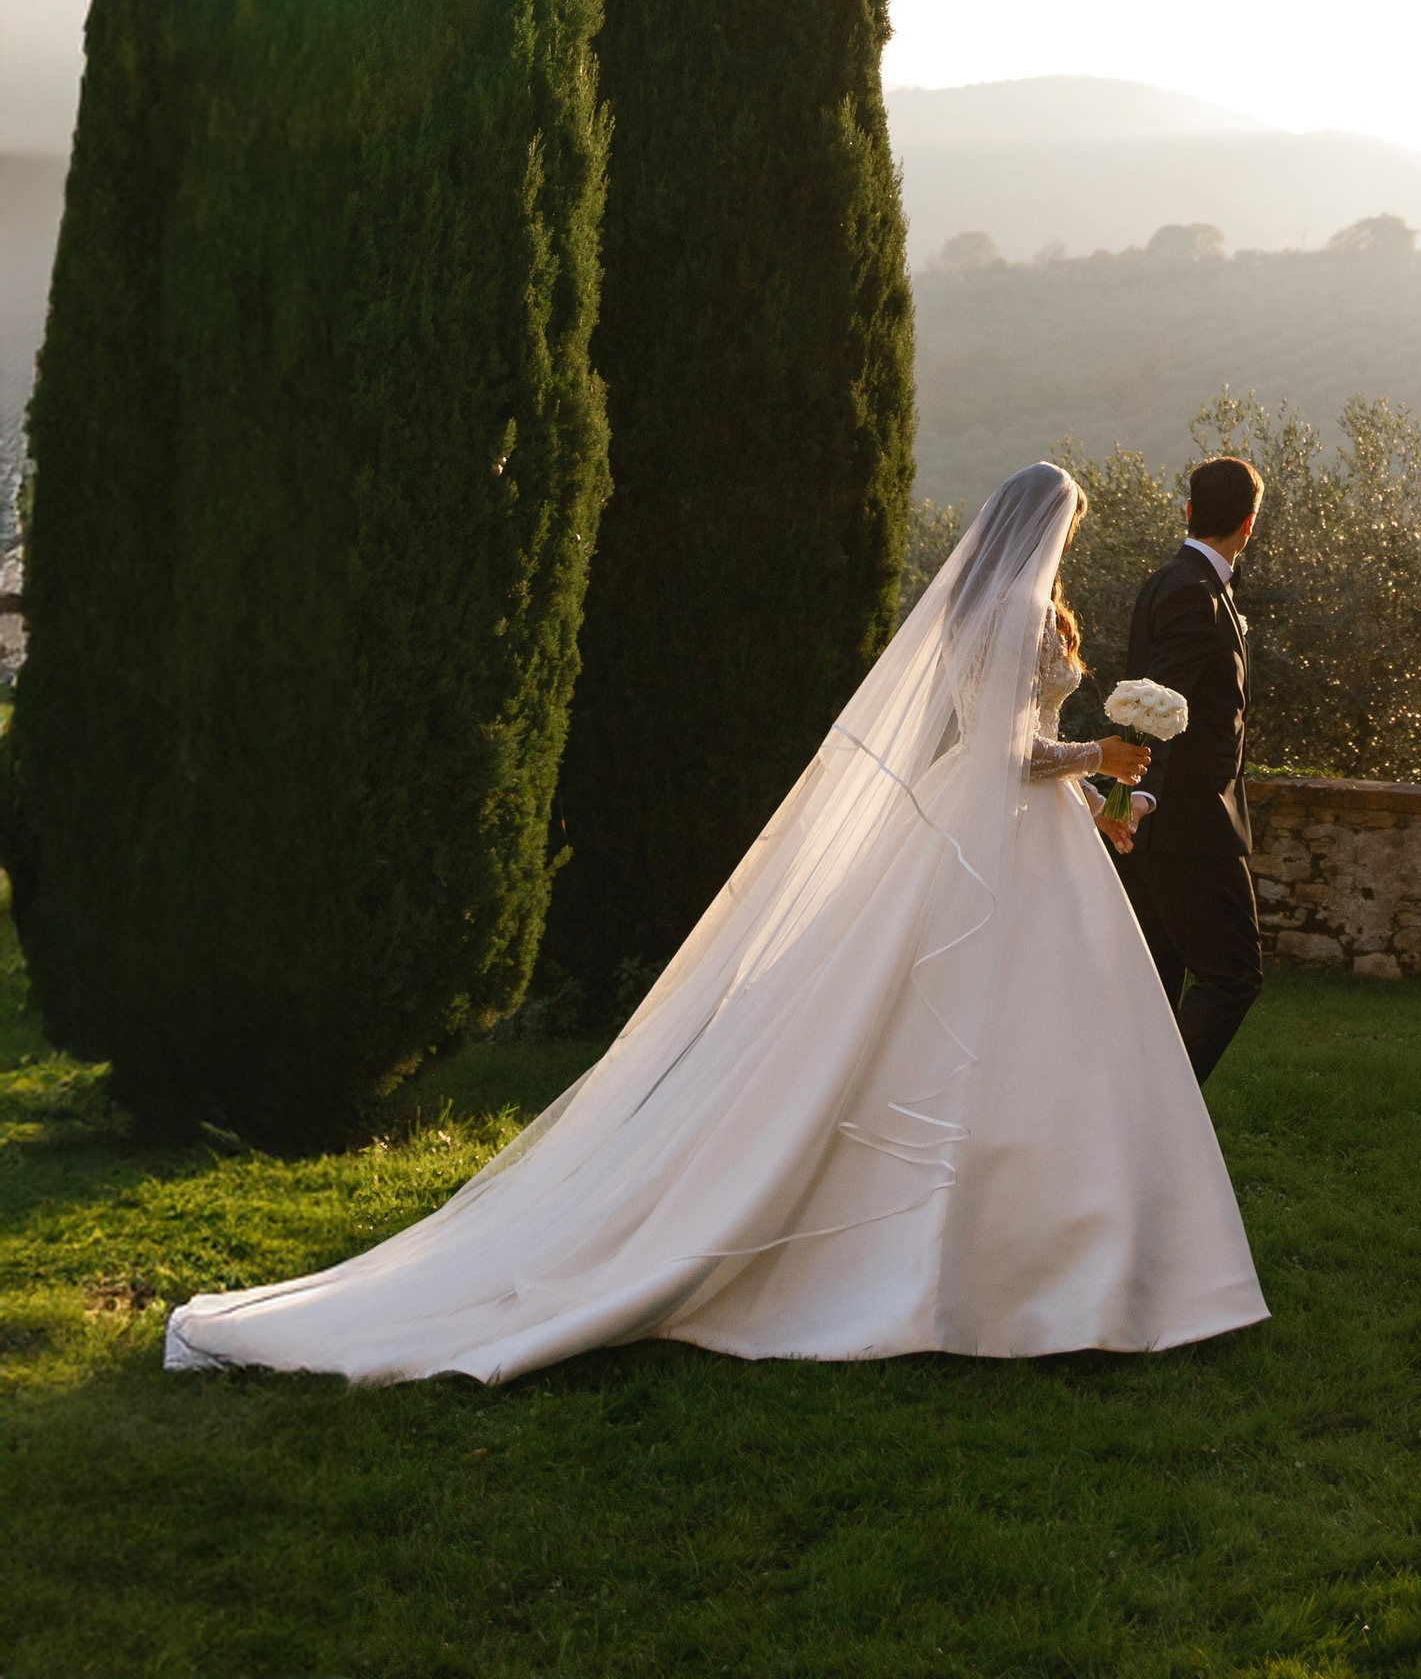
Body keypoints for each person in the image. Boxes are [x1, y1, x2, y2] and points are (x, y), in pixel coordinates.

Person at [162, 465, 1266, 1383]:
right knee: (975, 1030)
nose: (1070, 539)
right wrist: (1094, 759)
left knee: (1050, 1036)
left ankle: (1059, 1246)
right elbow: (996, 753)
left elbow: (1021, 752)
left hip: (1035, 845)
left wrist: (1100, 795)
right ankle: (1002, 1259)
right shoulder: (1003, 615)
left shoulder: (1032, 610)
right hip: (996, 849)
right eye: (1069, 522)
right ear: (1042, 525)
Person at [1117, 455, 1265, 1082]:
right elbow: (1160, 703)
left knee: (1157, 983)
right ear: (1250, 523)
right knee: (1233, 976)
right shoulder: (1192, 591)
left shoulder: (1168, 581)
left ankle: (1132, 1124)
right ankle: (1160, 1120)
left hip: (1161, 822)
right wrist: (1139, 801)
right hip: (1188, 824)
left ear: (1188, 510)